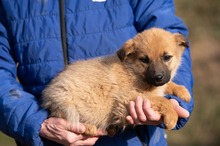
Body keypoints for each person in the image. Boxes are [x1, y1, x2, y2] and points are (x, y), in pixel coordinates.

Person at [0, 0, 194, 146]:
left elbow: (168, 34)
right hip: (49, 133)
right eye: (145, 60)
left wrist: (172, 100)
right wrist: (35, 123)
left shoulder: (160, 53)